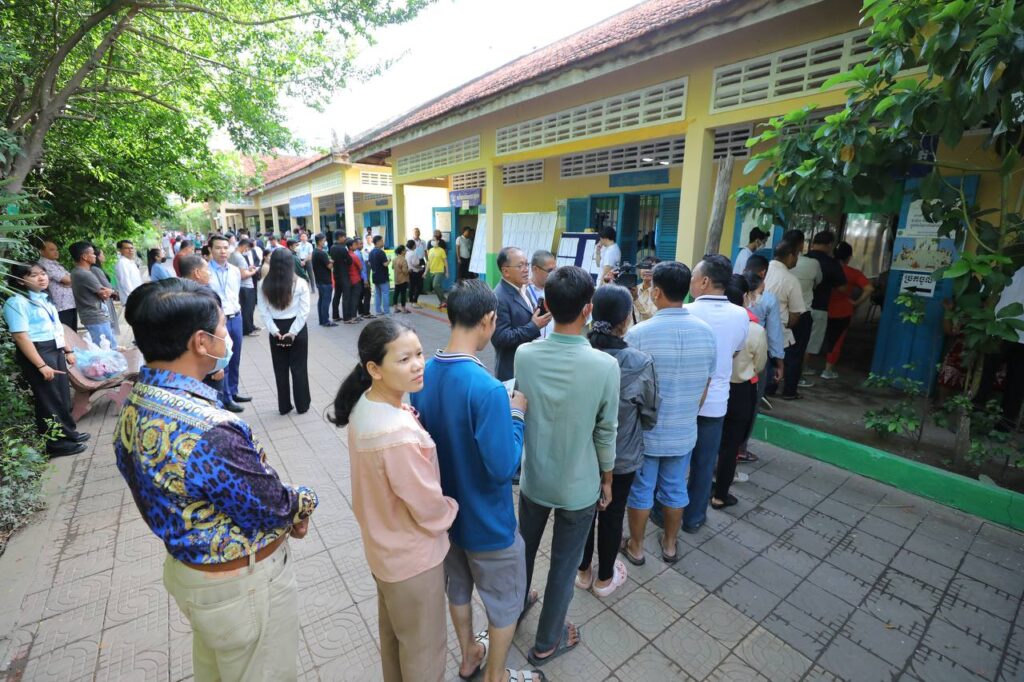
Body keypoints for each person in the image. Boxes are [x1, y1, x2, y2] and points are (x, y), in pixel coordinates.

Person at [115, 278, 318, 681]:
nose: (229, 336)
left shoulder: (134, 401)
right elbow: (271, 506)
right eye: (223, 328)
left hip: (192, 575)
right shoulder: (210, 430)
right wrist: (304, 502)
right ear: (201, 343)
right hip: (239, 588)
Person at [410, 280, 540, 682]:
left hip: (449, 517)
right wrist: (516, 413)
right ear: (489, 320)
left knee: (460, 588)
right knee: (505, 601)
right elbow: (502, 467)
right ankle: (496, 675)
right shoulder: (486, 389)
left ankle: (469, 656)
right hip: (488, 522)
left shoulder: (423, 374)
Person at [330, 318, 458, 682]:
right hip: (413, 560)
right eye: (403, 360)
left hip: (384, 552)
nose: (418, 364)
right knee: (424, 651)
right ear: (374, 369)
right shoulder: (397, 431)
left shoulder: (366, 406)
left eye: (419, 354)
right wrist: (450, 510)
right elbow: (428, 506)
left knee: (395, 640)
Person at [514, 266, 618, 668]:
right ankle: (546, 642)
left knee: (523, 550)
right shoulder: (604, 366)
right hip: (579, 485)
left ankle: (517, 604)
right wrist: (607, 479)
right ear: (588, 309)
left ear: (546, 305)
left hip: (535, 477)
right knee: (563, 566)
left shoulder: (526, 354)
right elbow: (605, 432)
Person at [622, 262, 715, 565]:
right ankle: (670, 545)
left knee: (641, 491)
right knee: (676, 489)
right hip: (684, 429)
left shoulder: (638, 334)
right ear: (688, 288)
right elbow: (706, 384)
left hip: (646, 433)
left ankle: (636, 548)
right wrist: (688, 413)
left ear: (656, 291)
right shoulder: (706, 333)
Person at [575, 285, 659, 597]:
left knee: (581, 513)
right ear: (626, 321)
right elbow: (650, 414)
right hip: (621, 456)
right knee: (612, 515)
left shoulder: (577, 352)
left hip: (580, 455)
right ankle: (604, 579)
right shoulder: (639, 362)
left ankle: (582, 571)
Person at [682, 254, 749, 533]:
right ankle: (694, 517)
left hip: (682, 402)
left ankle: (664, 514)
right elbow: (734, 353)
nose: (691, 284)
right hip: (716, 403)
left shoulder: (686, 312)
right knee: (704, 463)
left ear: (705, 281)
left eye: (694, 279)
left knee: (674, 463)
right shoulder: (741, 314)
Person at [4, 263, 89, 457]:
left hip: (54, 348)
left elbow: (56, 327)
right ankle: (56, 445)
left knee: (61, 395)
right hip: (38, 352)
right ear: (20, 280)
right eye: (34, 275)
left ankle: (69, 433)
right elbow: (21, 337)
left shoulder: (43, 298)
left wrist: (67, 350)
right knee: (48, 399)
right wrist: (41, 365)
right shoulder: (17, 302)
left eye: (43, 273)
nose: (42, 278)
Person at [712, 274, 767, 509]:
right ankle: (719, 495)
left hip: (713, 387)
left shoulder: (710, 322)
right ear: (745, 297)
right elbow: (761, 364)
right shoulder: (754, 329)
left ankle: (700, 487)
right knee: (731, 445)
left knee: (708, 440)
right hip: (741, 390)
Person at [738, 254, 785, 462]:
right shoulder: (767, 298)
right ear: (763, 272)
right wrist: (779, 363)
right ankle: (740, 448)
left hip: (731, 356)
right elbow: (774, 334)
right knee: (752, 404)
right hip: (756, 358)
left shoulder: (733, 287)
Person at [258, 249, 312, 416]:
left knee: (280, 369)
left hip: (276, 328)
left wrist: (275, 331)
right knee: (299, 368)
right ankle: (302, 405)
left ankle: (284, 406)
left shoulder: (262, 284)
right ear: (291, 263)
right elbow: (304, 311)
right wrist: (293, 332)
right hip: (297, 328)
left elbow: (263, 311)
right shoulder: (301, 283)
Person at [492, 247, 552, 381]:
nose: (526, 269)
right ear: (506, 271)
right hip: (512, 370)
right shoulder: (499, 297)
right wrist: (534, 326)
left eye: (526, 264)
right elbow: (500, 339)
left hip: (529, 365)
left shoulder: (521, 288)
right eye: (520, 266)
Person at [207, 235, 251, 411]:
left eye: (226, 247)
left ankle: (233, 390)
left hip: (236, 318)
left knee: (235, 357)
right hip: (218, 323)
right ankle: (225, 397)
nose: (223, 251)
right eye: (218, 248)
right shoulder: (206, 272)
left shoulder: (234, 270)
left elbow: (235, 294)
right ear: (210, 250)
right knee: (222, 359)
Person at [822, 241, 874, 380]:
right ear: (849, 257)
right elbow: (869, 288)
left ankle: (805, 367)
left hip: (822, 308)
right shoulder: (853, 273)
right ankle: (828, 370)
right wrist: (856, 302)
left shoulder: (825, 268)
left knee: (815, 337)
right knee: (836, 340)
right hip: (842, 311)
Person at [764, 241, 807, 400]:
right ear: (790, 256)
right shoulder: (790, 280)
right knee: (789, 358)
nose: (797, 259)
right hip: (780, 330)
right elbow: (796, 314)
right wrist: (785, 324)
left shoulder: (763, 270)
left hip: (757, 327)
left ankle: (765, 392)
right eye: (797, 255)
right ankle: (788, 391)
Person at [783, 230, 821, 390]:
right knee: (796, 353)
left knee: (776, 349)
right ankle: (790, 389)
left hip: (780, 312)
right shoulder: (812, 264)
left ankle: (771, 387)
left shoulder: (775, 264)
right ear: (801, 244)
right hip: (802, 313)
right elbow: (818, 281)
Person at [804, 231, 846, 371]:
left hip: (801, 306)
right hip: (820, 307)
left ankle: (795, 370)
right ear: (829, 245)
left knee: (797, 340)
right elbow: (842, 287)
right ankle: (801, 371)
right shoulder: (832, 263)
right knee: (811, 342)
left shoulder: (802, 259)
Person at [69, 241, 116, 344]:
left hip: (90, 316)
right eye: (93, 253)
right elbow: (104, 294)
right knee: (107, 348)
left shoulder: (75, 272)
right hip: (95, 316)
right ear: (85, 257)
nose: (95, 256)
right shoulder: (85, 274)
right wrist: (111, 291)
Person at [37, 240, 77, 329]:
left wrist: (71, 282)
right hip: (60, 306)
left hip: (69, 304)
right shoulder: (44, 264)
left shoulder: (55, 264)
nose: (56, 252)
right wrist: (70, 282)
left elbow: (72, 279)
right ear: (42, 251)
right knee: (66, 335)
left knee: (72, 334)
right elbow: (67, 280)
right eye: (52, 250)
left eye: (56, 249)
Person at [231, 239, 261, 336]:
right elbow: (243, 275)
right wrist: (253, 271)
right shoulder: (239, 257)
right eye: (248, 248)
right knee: (248, 308)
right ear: (245, 246)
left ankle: (250, 326)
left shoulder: (232, 255)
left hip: (240, 286)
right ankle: (248, 329)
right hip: (245, 286)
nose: (248, 250)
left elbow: (239, 271)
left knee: (247, 307)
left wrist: (248, 268)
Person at [525, 249, 556, 340]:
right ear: (535, 269)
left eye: (555, 270)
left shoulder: (558, 289)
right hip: (533, 345)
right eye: (550, 270)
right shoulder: (524, 292)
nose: (553, 274)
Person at [90, 247, 120, 340]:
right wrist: (114, 292)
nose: (104, 256)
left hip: (106, 298)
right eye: (102, 254)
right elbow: (106, 285)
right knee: (109, 325)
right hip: (104, 299)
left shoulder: (95, 269)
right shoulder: (95, 269)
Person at [311, 234, 337, 327]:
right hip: (325, 280)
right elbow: (329, 266)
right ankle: (325, 321)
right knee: (326, 301)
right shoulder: (322, 253)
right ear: (319, 241)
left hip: (319, 280)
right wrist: (332, 261)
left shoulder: (315, 251)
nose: (325, 242)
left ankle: (322, 320)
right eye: (324, 240)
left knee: (321, 300)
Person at [343, 238, 368, 324]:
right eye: (355, 245)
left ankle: (351, 316)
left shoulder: (347, 255)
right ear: (350, 246)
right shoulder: (354, 256)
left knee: (351, 298)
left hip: (349, 279)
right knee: (355, 299)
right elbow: (361, 267)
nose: (356, 246)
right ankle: (353, 316)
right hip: (356, 279)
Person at [329, 232, 351, 322]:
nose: (345, 238)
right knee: (346, 296)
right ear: (340, 237)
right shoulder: (342, 249)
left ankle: (335, 315)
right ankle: (347, 318)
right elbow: (349, 261)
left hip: (336, 274)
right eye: (344, 237)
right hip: (344, 274)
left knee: (337, 295)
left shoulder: (332, 247)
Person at [368, 235, 391, 317]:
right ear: (378, 242)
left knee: (377, 294)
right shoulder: (381, 252)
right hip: (383, 277)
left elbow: (369, 264)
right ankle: (387, 311)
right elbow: (385, 264)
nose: (383, 242)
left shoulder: (371, 252)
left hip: (375, 276)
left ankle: (378, 310)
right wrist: (389, 260)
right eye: (382, 241)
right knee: (385, 293)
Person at [427, 238, 449, 308]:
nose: (433, 241)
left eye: (434, 240)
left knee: (435, 285)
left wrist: (447, 272)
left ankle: (444, 300)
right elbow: (428, 262)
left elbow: (445, 261)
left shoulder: (441, 250)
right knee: (437, 287)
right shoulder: (430, 250)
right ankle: (442, 302)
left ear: (438, 241)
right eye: (432, 240)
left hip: (440, 271)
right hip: (432, 271)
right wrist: (425, 272)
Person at [405, 239, 425, 309]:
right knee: (419, 287)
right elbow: (415, 264)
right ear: (413, 246)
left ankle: (411, 301)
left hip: (410, 272)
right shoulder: (414, 253)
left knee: (411, 287)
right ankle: (414, 302)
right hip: (415, 272)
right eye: (414, 244)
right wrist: (421, 267)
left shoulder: (407, 253)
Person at [391, 244, 411, 314]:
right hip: (403, 280)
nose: (406, 251)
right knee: (403, 294)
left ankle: (395, 308)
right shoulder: (403, 260)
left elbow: (393, 267)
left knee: (396, 294)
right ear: (402, 252)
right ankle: (403, 309)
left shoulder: (394, 259)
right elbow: (405, 272)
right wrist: (409, 270)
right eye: (405, 250)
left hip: (397, 279)